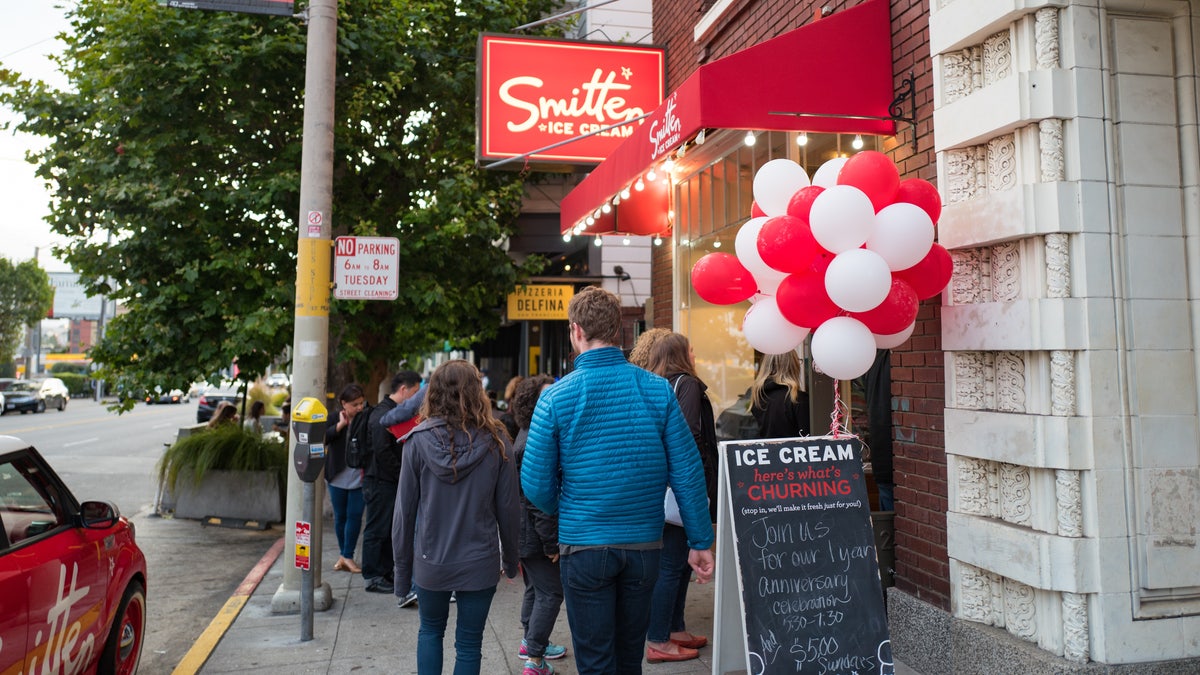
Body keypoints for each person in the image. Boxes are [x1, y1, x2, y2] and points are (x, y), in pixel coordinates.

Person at [521, 287, 715, 675]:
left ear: (576, 331)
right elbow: (688, 473)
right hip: (644, 545)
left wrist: (569, 510)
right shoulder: (658, 391)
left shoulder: (556, 398)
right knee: (629, 658)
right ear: (620, 330)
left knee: (594, 661)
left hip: (584, 546)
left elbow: (536, 485)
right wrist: (700, 541)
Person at [392, 360, 520, 675]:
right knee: (469, 644)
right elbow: (509, 509)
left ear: (432, 394)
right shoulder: (497, 441)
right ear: (478, 393)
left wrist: (401, 574)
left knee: (430, 632)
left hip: (430, 560)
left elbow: (403, 515)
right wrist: (512, 561)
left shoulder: (417, 442)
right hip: (479, 561)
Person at [629, 328, 718, 663]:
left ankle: (675, 627)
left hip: (657, 488)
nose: (695, 355)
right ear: (680, 355)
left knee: (677, 562)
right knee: (673, 565)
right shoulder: (688, 384)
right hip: (680, 488)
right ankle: (659, 639)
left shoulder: (652, 386)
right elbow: (690, 436)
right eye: (691, 350)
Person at [510, 374, 567, 675]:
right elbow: (537, 501)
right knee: (551, 593)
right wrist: (551, 543)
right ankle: (534, 659)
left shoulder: (526, 432)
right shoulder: (533, 440)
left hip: (523, 534)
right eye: (547, 395)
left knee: (535, 588)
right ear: (532, 403)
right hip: (533, 535)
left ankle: (530, 643)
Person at [360, 370, 423, 598]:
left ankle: (384, 572)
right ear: (404, 390)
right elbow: (383, 451)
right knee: (377, 529)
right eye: (415, 392)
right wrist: (403, 475)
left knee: (387, 529)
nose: (416, 398)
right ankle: (373, 576)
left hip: (388, 481)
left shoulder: (391, 412)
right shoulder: (382, 414)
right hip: (380, 481)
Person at [325, 384, 367, 574]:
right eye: (355, 404)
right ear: (344, 404)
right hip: (337, 475)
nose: (359, 407)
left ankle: (347, 555)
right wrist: (340, 426)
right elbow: (321, 438)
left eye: (361, 403)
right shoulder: (334, 418)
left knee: (355, 516)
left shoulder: (365, 418)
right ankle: (344, 555)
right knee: (340, 517)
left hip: (358, 476)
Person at [749, 350, 812, 439]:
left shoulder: (758, 398)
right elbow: (810, 441)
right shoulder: (798, 399)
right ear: (792, 366)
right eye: (797, 361)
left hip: (766, 452)